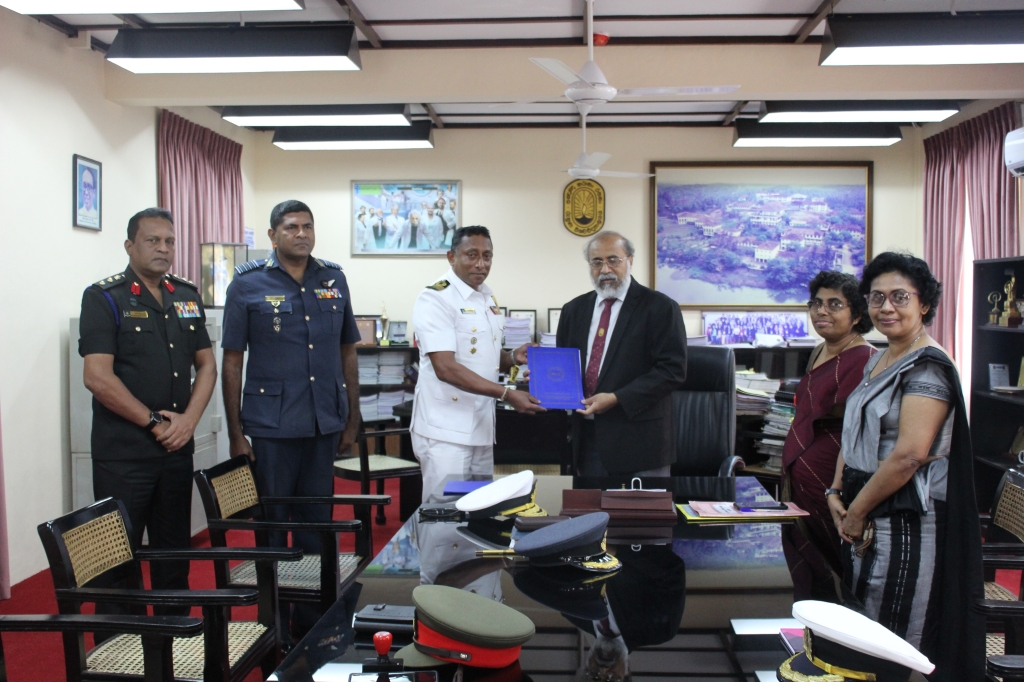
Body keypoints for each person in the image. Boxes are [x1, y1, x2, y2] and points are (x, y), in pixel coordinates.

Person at [827, 252, 982, 681]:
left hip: (906, 519)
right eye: (877, 297)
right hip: (863, 508)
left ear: (924, 303)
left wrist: (856, 512)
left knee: (892, 632)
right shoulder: (879, 357)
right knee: (860, 624)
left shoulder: (927, 366)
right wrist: (835, 490)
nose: (886, 307)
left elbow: (909, 455)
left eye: (900, 296)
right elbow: (854, 429)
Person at [221, 199, 362, 636]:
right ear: (273, 235)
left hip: (323, 421)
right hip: (272, 425)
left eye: (307, 226)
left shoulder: (333, 278)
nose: (301, 234)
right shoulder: (247, 284)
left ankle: (312, 622)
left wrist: (352, 417)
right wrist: (236, 433)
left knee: (316, 524)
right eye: (291, 227)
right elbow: (232, 360)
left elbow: (347, 350)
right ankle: (274, 623)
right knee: (273, 525)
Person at [78, 207, 216, 618]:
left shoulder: (186, 295)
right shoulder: (104, 297)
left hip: (175, 451)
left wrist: (189, 421)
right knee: (117, 563)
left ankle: (174, 641)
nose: (163, 248)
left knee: (174, 558)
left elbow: (207, 365)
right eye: (152, 240)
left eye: (169, 241)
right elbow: (97, 377)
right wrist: (154, 422)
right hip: (125, 455)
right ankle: (117, 648)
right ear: (130, 245)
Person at [411, 226, 544, 498]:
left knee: (479, 506)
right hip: (446, 431)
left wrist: (512, 357)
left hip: (481, 426)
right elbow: (445, 368)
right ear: (452, 257)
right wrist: (507, 394)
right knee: (445, 510)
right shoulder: (435, 298)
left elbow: (485, 358)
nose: (481, 264)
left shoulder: (486, 297)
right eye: (471, 255)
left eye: (487, 256)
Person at [556, 231, 687, 477]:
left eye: (613, 260)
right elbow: (564, 366)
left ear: (630, 260)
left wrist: (617, 398)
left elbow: (672, 371)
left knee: (638, 504)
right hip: (587, 441)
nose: (605, 269)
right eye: (597, 262)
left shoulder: (660, 308)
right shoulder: (573, 310)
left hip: (641, 443)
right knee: (590, 503)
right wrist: (543, 378)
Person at [780, 271, 877, 600]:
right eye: (816, 303)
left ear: (857, 314)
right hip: (804, 475)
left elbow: (857, 430)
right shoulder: (820, 349)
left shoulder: (866, 359)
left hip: (834, 479)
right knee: (808, 568)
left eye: (834, 304)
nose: (821, 311)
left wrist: (835, 487)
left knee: (838, 567)